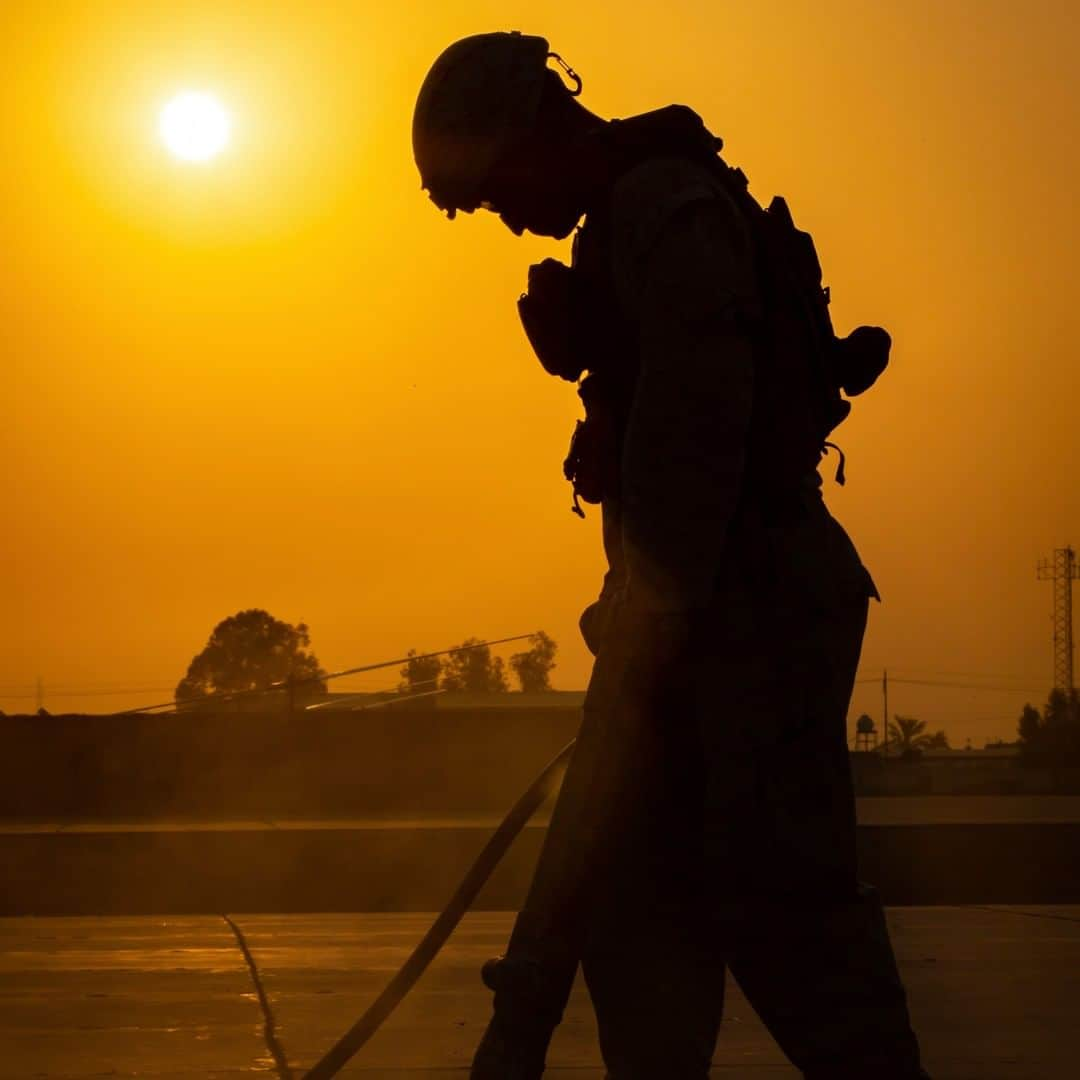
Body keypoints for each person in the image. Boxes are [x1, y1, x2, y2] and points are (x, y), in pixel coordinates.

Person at [412, 31, 929, 1080]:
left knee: (788, 921)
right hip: (698, 613)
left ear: (536, 128)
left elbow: (700, 430)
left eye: (497, 187)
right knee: (641, 920)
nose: (505, 218)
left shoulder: (666, 211)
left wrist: (652, 611)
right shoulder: (620, 228)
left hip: (755, 619)